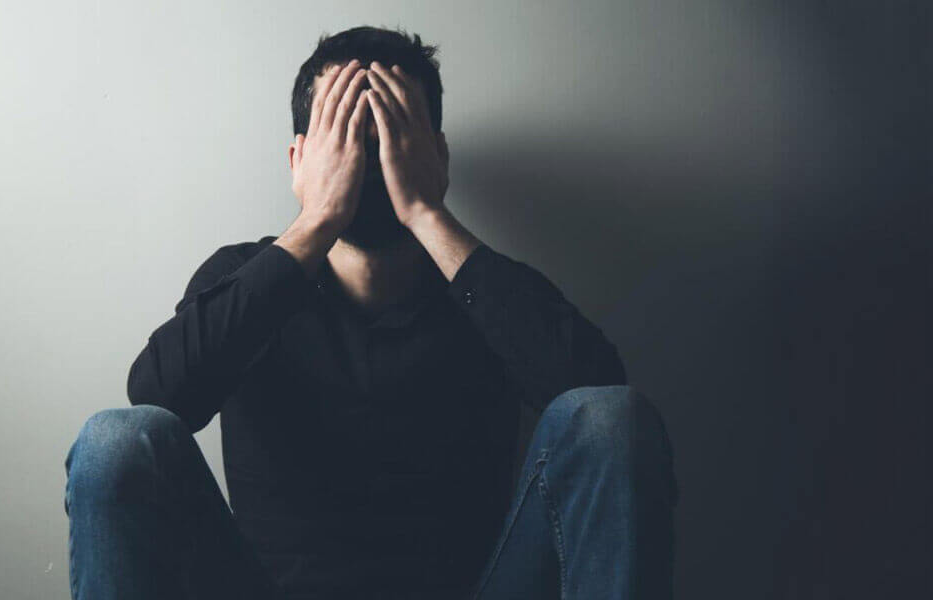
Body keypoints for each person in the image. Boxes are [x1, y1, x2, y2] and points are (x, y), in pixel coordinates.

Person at [64, 25, 679, 600]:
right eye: (345, 136)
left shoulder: (488, 288)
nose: (366, 162)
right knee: (115, 440)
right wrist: (316, 222)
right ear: (298, 160)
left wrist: (426, 214)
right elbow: (157, 398)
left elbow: (602, 409)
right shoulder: (242, 278)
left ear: (435, 154)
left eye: (387, 135)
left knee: (607, 417)